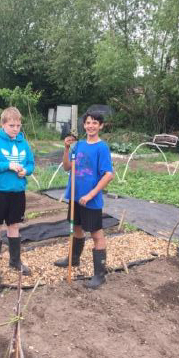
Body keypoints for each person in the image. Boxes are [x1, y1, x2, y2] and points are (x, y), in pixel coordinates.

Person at [54, 110, 114, 289]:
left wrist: (90, 195)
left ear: (101, 126)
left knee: (96, 234)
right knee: (76, 228)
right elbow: (66, 167)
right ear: (84, 125)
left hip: (91, 199)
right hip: (75, 196)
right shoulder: (78, 145)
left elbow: (108, 175)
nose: (91, 126)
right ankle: (73, 259)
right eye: (88, 122)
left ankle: (99, 275)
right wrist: (66, 148)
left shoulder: (102, 147)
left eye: (95, 123)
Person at [0, 107, 35, 283]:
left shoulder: (23, 143)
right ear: (3, 124)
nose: (16, 129)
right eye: (12, 125)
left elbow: (31, 163)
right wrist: (7, 165)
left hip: (17, 192)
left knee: (14, 226)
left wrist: (25, 170)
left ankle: (15, 261)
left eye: (18, 125)